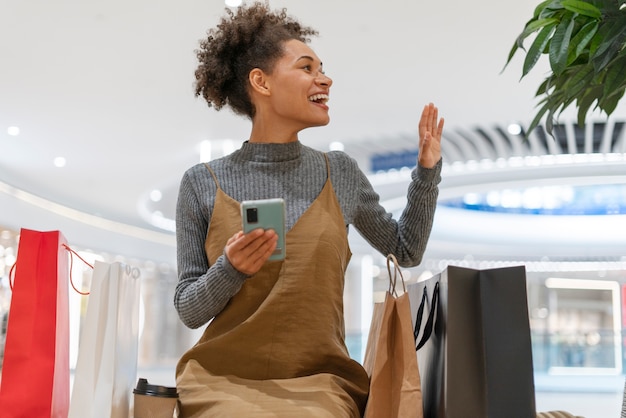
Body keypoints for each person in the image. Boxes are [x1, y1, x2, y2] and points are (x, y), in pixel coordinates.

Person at [173, 2, 444, 417]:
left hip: (320, 382)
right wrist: (230, 269)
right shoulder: (200, 183)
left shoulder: (341, 173)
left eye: (323, 68)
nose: (325, 78)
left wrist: (426, 173)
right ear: (261, 82)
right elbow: (189, 310)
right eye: (307, 67)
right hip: (220, 380)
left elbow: (405, 250)